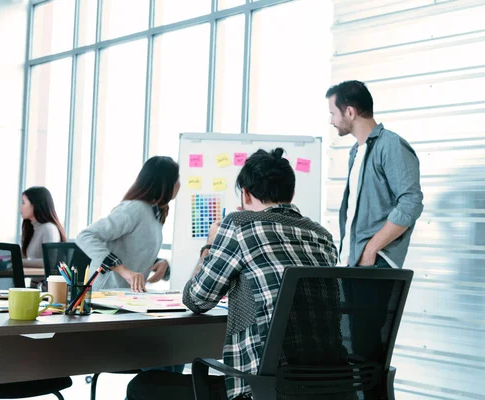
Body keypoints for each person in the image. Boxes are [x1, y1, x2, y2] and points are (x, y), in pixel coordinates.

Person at [126, 148, 339, 400]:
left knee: (143, 385)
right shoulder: (322, 236)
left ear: (246, 194)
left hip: (260, 389)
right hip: (329, 385)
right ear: (291, 194)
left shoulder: (239, 224)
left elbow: (196, 299)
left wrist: (210, 244)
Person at [326, 80, 423, 268]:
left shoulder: (391, 145)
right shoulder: (356, 152)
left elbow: (411, 203)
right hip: (354, 262)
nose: (331, 121)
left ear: (350, 112)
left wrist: (371, 249)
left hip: (376, 263)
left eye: (333, 113)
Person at [76, 156, 180, 293]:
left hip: (126, 296)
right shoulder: (134, 209)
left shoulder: (155, 213)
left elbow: (133, 249)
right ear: (165, 184)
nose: (179, 184)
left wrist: (159, 263)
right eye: (176, 179)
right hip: (105, 295)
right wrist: (122, 270)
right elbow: (85, 236)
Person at [20, 186, 67, 260]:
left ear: (35, 204)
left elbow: (49, 262)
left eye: (23, 203)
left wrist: (20, 262)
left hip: (38, 272)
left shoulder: (49, 228)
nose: (20, 207)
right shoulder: (31, 228)